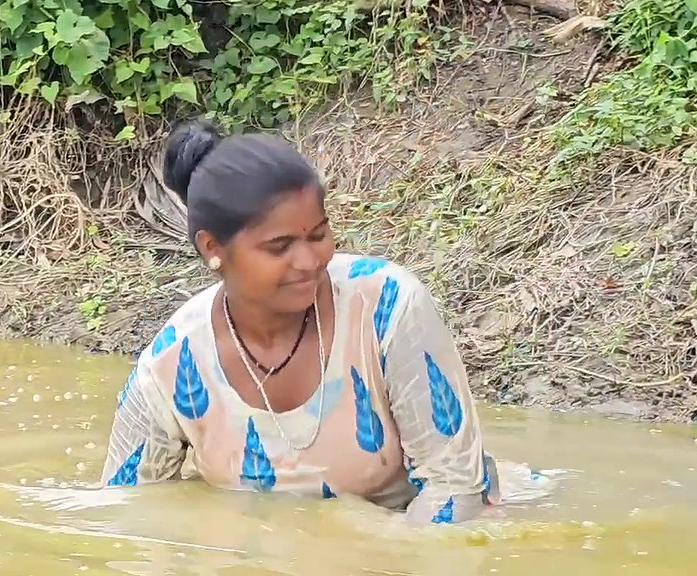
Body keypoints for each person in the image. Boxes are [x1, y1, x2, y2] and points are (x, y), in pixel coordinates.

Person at [98, 119, 500, 524]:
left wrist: (385, 569)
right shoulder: (171, 366)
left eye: (318, 235)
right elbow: (130, 516)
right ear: (212, 247)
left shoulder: (385, 308)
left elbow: (456, 487)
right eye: (280, 246)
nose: (310, 262)